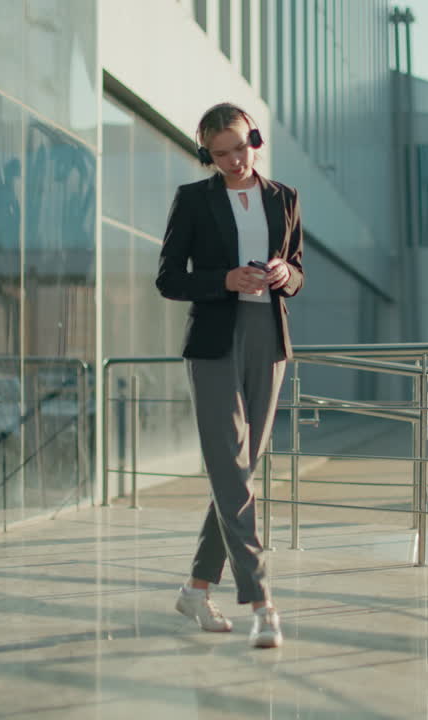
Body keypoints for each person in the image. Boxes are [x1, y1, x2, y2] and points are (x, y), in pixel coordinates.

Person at [155, 102, 305, 649]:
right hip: (215, 343)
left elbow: (299, 271)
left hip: (269, 339)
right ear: (207, 155)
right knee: (230, 472)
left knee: (241, 472)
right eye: (221, 154)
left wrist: (286, 273)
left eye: (241, 147)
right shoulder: (193, 200)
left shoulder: (283, 198)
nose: (235, 160)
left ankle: (196, 589)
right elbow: (169, 279)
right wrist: (225, 279)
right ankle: (263, 604)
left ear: (254, 139)